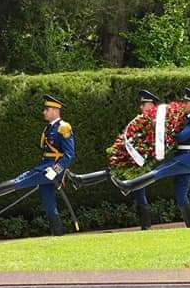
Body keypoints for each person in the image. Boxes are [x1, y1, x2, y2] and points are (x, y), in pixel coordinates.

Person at [0, 94, 75, 236]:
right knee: (48, 203)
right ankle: (58, 233)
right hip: (45, 166)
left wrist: (55, 171)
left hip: (51, 169)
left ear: (55, 111)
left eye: (46, 109)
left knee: (20, 181)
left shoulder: (64, 127)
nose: (44, 112)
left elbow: (69, 154)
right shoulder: (48, 128)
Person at [65, 89, 161, 230]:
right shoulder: (144, 119)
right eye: (142, 104)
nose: (141, 107)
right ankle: (146, 226)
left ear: (153, 105)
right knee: (136, 189)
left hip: (140, 160)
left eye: (145, 104)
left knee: (124, 181)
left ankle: (80, 180)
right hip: (135, 159)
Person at [110, 88, 190, 227]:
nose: (184, 104)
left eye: (187, 102)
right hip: (185, 157)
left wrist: (168, 131)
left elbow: (182, 137)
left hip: (188, 158)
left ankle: (129, 185)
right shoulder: (187, 119)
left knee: (160, 171)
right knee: (181, 196)